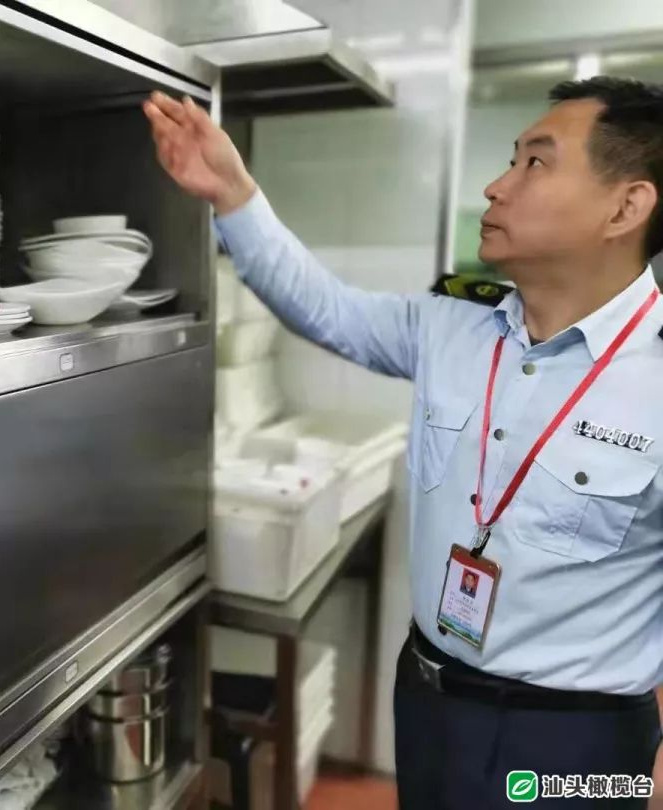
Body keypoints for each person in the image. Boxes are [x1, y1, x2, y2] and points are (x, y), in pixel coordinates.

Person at [145, 76, 663, 809]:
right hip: (429, 699)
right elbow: (328, 308)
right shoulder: (455, 319)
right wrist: (233, 196)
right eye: (510, 159)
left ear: (627, 205)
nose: (495, 185)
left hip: (574, 740)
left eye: (535, 163)